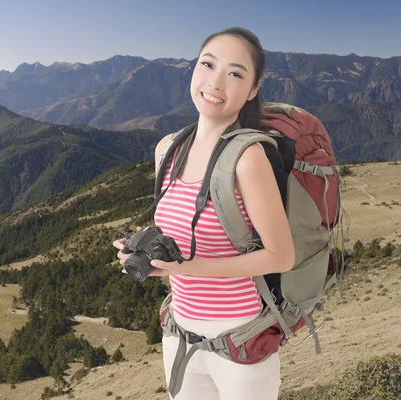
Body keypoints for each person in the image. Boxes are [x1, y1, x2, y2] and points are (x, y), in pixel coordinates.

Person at [113, 27, 295, 399]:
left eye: (235, 73)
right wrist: (145, 252)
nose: (215, 81)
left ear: (253, 90)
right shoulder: (168, 148)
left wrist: (187, 267)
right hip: (180, 335)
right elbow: (180, 229)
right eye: (207, 64)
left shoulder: (248, 158)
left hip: (239, 342)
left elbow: (281, 256)